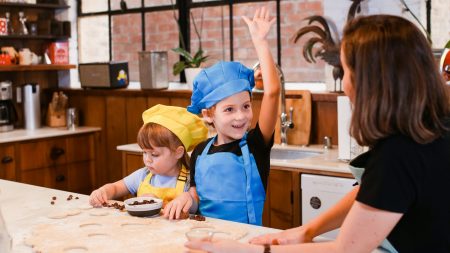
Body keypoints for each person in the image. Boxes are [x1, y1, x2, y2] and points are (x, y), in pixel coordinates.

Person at [185, 14, 450, 253]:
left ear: (369, 82)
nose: (343, 81)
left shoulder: (398, 155)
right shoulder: (430, 129)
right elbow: (372, 190)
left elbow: (345, 250)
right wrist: (307, 231)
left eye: (345, 71)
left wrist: (251, 252)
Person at [163, 6, 281, 225]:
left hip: (245, 242)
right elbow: (198, 197)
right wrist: (187, 197)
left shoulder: (257, 144)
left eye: (246, 106)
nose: (241, 116)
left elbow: (273, 93)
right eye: (229, 109)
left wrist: (260, 42)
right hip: (206, 237)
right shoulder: (199, 152)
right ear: (208, 114)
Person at [89, 104, 208, 208]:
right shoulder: (143, 175)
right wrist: (103, 191)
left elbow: (194, 205)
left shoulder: (190, 181)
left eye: (155, 154)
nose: (147, 159)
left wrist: (187, 199)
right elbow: (115, 188)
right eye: (144, 152)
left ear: (178, 152)